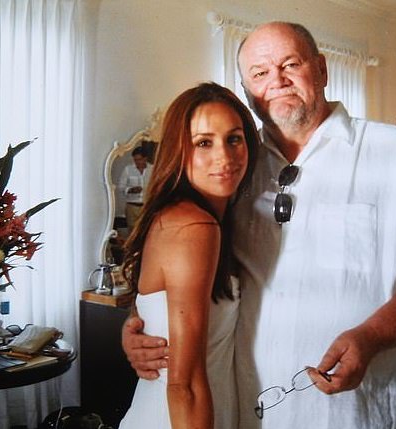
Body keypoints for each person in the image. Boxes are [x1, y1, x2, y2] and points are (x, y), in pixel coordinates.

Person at [122, 22, 396, 428]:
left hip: (362, 411)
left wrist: (371, 337)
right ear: (247, 90)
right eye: (260, 73)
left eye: (291, 64)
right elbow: (182, 264)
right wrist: (140, 326)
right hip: (251, 413)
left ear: (322, 70)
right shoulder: (236, 165)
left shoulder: (394, 152)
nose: (277, 80)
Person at [118, 82, 258, 429]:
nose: (224, 157)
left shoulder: (205, 220)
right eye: (204, 143)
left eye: (234, 139)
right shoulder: (194, 225)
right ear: (180, 150)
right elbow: (186, 385)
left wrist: (133, 324)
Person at [118, 145, 154, 230]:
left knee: (146, 230)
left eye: (139, 159)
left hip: (147, 207)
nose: (137, 162)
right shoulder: (128, 169)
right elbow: (120, 187)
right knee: (132, 231)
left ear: (145, 158)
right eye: (135, 160)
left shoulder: (153, 169)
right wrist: (130, 190)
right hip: (132, 207)